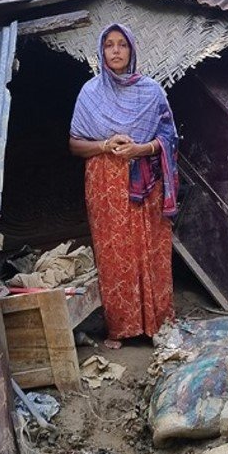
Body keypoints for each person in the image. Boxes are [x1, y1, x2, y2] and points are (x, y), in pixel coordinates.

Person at [69, 23, 180, 350]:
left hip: (145, 180)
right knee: (114, 253)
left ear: (131, 50)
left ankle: (158, 324)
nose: (116, 51)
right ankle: (120, 328)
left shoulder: (152, 92)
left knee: (151, 247)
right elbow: (75, 144)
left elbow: (170, 138)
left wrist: (140, 149)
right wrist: (105, 145)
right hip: (105, 183)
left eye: (122, 45)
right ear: (102, 52)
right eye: (109, 45)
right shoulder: (89, 93)